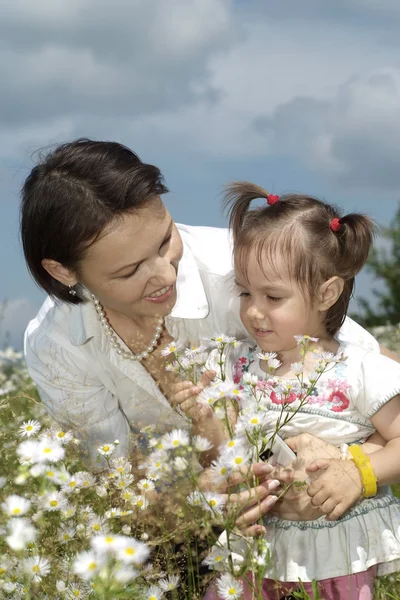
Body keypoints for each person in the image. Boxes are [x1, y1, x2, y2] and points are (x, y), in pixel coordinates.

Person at [21, 140, 386, 533]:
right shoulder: (56, 346)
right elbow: (118, 481)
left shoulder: (246, 268)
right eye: (129, 271)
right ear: (63, 272)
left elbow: (369, 371)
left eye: (165, 240)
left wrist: (352, 466)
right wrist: (196, 503)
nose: (164, 274)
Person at [198, 183, 400, 600]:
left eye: (273, 296)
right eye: (244, 292)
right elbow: (223, 453)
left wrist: (360, 473)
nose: (253, 310)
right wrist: (206, 420)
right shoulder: (235, 365)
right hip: (255, 544)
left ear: (327, 293)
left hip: (336, 553)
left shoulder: (357, 368)